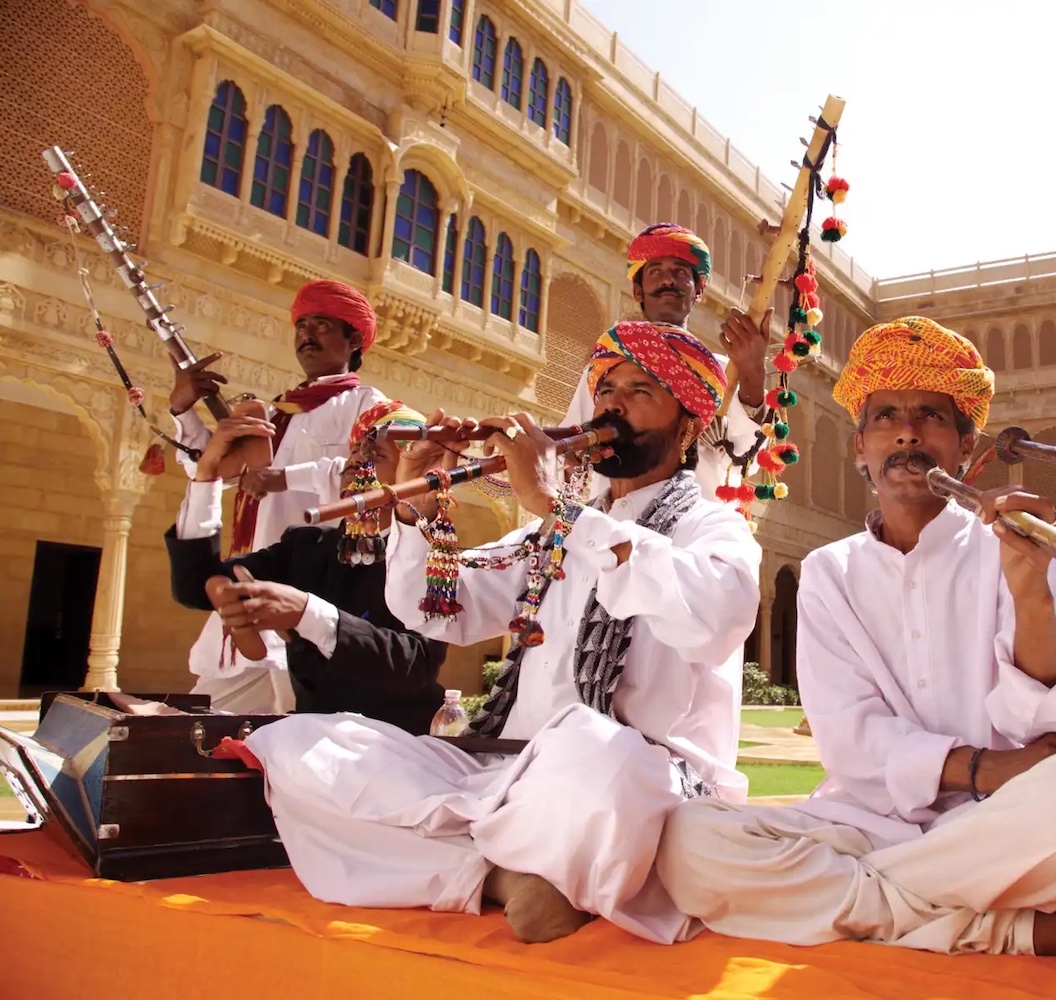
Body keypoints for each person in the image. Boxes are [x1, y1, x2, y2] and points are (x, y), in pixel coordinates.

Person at [657, 318, 1056, 968]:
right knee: (686, 838)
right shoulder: (829, 573)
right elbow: (849, 741)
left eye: (930, 415)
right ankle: (1001, 928)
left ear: (966, 447)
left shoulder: (1020, 546)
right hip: (866, 823)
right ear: (861, 447)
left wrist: (1030, 592)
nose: (906, 433)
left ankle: (872, 907)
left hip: (999, 825)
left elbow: (1053, 733)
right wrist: (984, 766)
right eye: (887, 417)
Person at [241, 320, 761, 946]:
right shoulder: (551, 534)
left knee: (604, 753)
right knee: (303, 745)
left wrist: (558, 509)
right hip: (506, 774)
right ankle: (505, 876)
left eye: (639, 391)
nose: (612, 405)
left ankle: (474, 857)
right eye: (605, 390)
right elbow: (440, 609)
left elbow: (714, 618)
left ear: (689, 426)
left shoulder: (712, 528)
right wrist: (418, 511)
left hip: (620, 782)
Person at [169, 280, 390, 712]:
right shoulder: (276, 411)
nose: (307, 335)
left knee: (297, 725)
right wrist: (183, 409)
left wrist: (284, 478)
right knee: (206, 722)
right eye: (301, 326)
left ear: (354, 341)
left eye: (322, 325)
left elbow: (374, 475)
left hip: (311, 594)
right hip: (251, 581)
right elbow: (211, 470)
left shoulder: (368, 405)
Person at [165, 400, 447, 734]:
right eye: (355, 449)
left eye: (376, 454)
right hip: (309, 740)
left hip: (395, 744)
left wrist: (307, 614)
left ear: (410, 478)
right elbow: (197, 586)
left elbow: (415, 663)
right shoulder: (307, 547)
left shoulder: (430, 559)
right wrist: (207, 474)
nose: (357, 459)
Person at [564, 223, 771, 502]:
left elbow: (746, 462)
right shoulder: (607, 368)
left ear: (698, 291)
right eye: (655, 271)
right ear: (638, 291)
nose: (668, 280)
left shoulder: (723, 372)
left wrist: (752, 377)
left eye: (680, 272)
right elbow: (571, 452)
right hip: (614, 521)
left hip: (696, 520)